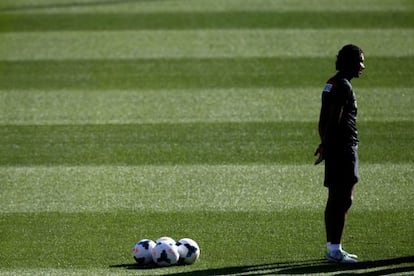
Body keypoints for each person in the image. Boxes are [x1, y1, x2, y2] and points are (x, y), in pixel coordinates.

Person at [314, 44, 365, 263]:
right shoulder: (343, 86)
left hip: (335, 145)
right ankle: (335, 250)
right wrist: (327, 144)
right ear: (349, 62)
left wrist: (324, 142)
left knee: (336, 198)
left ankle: (333, 248)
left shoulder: (331, 83)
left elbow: (323, 118)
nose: (363, 66)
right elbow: (334, 118)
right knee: (343, 198)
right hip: (343, 147)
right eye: (360, 61)